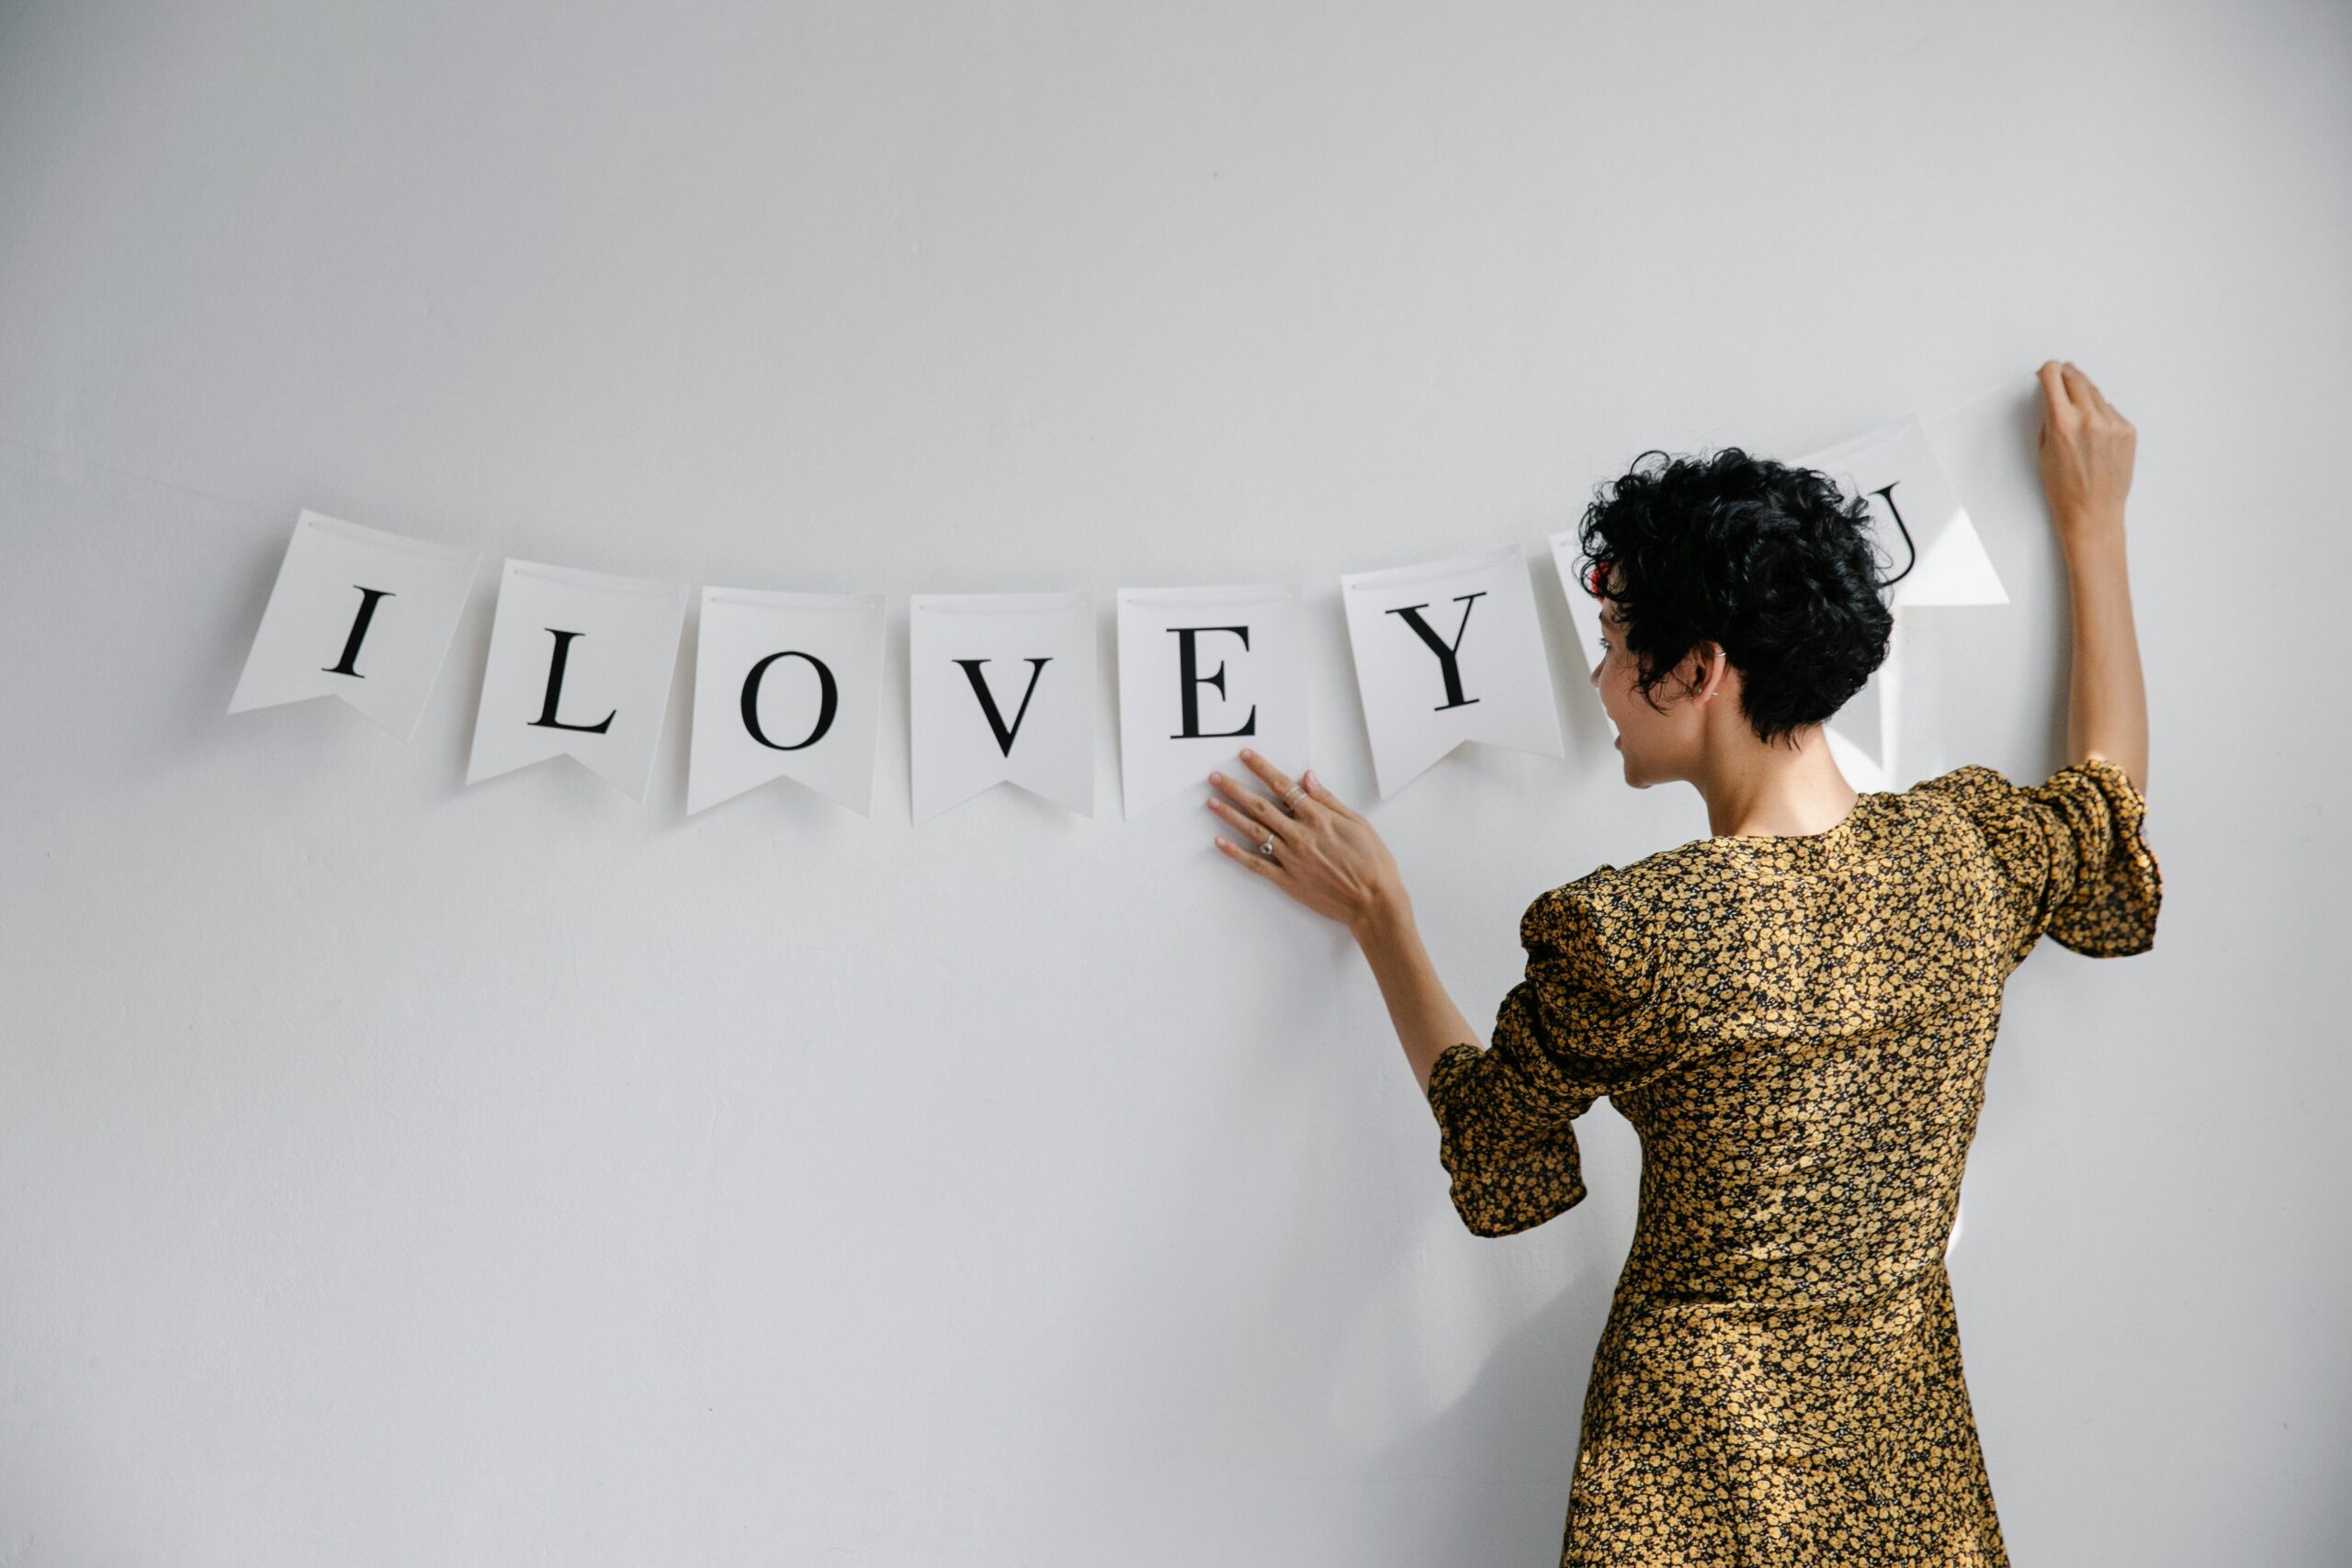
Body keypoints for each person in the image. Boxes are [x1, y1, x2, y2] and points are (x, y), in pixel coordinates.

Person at [1204, 360, 2160, 1565]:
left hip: (1685, 1495)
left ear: (1700, 671)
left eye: (1613, 644)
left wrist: (1384, 918)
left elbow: (1502, 1155)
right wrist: (2094, 525)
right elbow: (2109, 794)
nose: (1601, 682)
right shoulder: (1965, 857)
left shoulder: (1629, 934)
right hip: (1906, 1489)